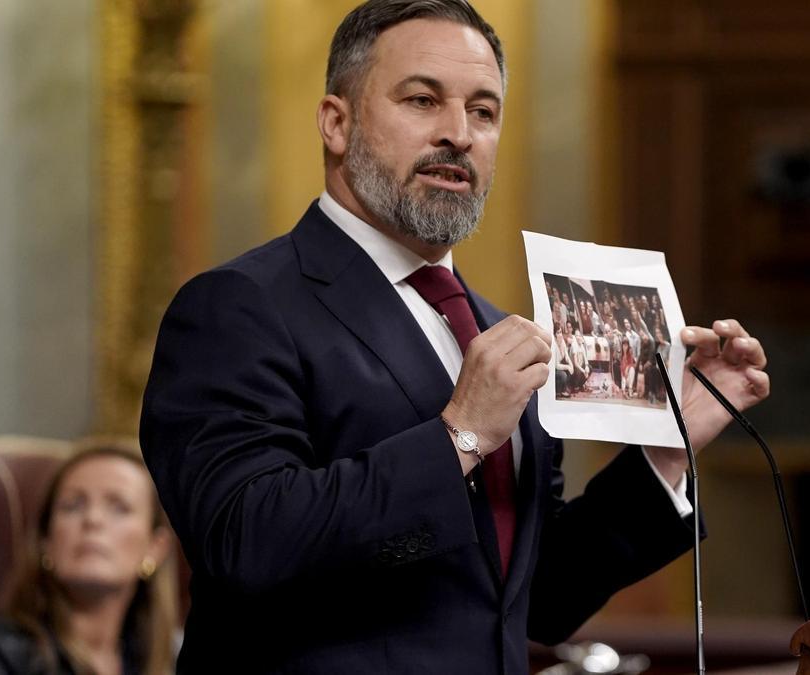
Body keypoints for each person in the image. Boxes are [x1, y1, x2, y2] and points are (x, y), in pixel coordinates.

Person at [138, 1, 769, 672]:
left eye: (484, 111)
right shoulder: (239, 306)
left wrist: (665, 458)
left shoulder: (495, 331)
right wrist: (459, 435)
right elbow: (244, 541)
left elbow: (533, 596)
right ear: (336, 122)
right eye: (422, 100)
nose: (459, 134)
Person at [0, 443, 178, 675]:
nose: (92, 519)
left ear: (155, 548)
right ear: (46, 540)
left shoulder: (173, 658)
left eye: (119, 507)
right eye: (72, 506)